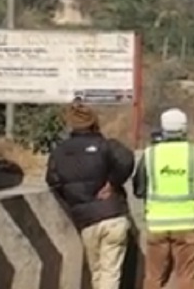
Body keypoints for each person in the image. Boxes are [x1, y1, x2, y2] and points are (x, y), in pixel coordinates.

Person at [45, 101, 135, 289]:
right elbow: (127, 160)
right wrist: (113, 184)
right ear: (94, 122)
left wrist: (73, 200)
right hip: (113, 215)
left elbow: (53, 181)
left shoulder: (59, 152)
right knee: (110, 273)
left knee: (97, 273)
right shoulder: (106, 145)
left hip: (87, 220)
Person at [133, 108, 194, 289]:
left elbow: (139, 190)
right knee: (185, 276)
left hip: (157, 224)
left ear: (163, 128)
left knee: (153, 276)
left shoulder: (150, 154)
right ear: (184, 128)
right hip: (186, 224)